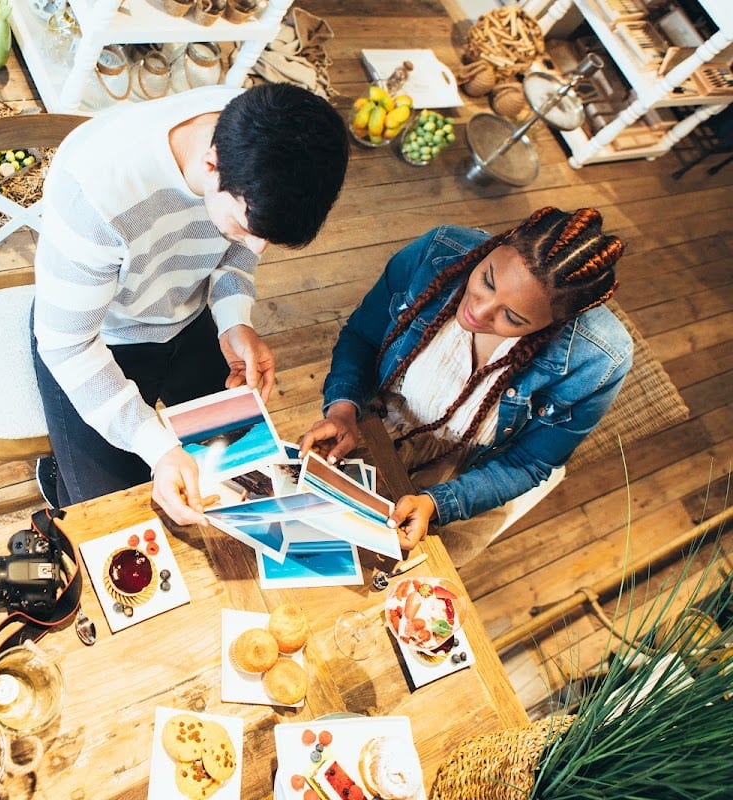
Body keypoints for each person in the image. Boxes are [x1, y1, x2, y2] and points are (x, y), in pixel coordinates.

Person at [31, 82, 350, 526]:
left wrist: (234, 320)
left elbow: (236, 255)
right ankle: (60, 475)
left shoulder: (261, 134)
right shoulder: (93, 192)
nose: (255, 247)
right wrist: (158, 447)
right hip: (97, 337)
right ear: (210, 164)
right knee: (111, 515)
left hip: (187, 313)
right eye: (243, 225)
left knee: (244, 473)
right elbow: (65, 346)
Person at [299, 207, 631, 564]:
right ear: (499, 243)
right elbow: (362, 336)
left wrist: (436, 503)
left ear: (556, 323)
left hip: (469, 479)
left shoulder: (598, 360)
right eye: (487, 279)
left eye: (512, 318)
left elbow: (528, 462)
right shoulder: (438, 253)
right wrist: (344, 408)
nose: (479, 311)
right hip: (374, 427)